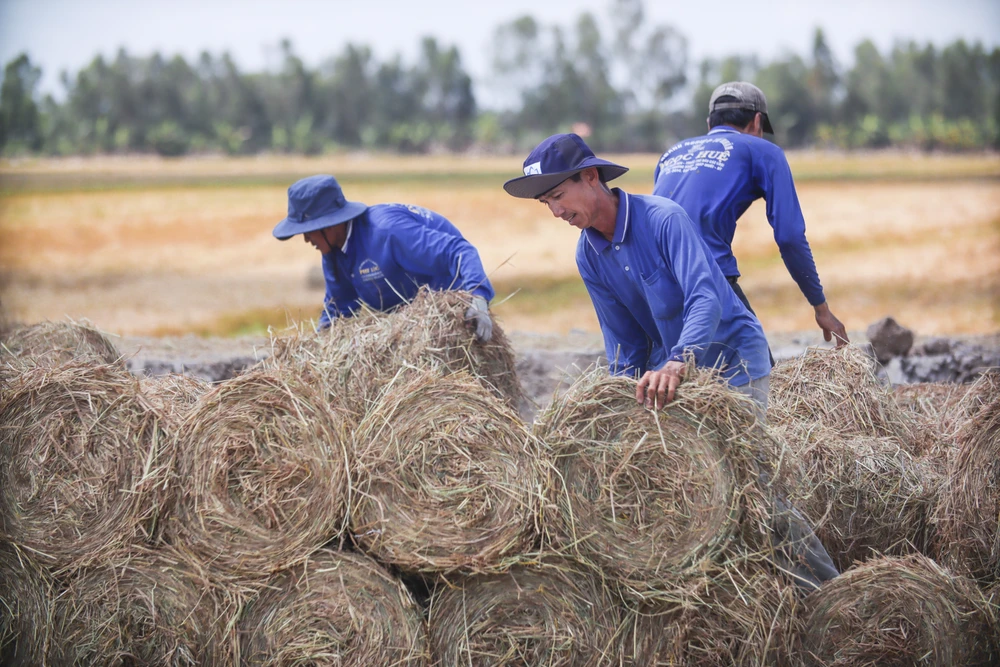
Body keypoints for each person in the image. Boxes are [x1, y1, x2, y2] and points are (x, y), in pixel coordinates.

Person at [503, 133, 838, 590]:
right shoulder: (588, 254)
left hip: (731, 361)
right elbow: (623, 344)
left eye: (559, 196)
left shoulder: (664, 219)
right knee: (689, 487)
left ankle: (827, 595)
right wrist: (618, 408)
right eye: (547, 204)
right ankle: (740, 597)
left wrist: (680, 359)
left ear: (590, 177)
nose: (557, 212)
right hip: (674, 374)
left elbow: (706, 297)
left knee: (751, 486)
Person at [653, 81, 849, 351]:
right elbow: (790, 237)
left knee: (680, 375)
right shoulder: (763, 151)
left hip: (653, 283)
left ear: (709, 123)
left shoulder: (671, 154)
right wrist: (820, 307)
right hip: (708, 278)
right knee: (755, 373)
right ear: (757, 122)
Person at [273, 174, 494, 341]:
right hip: (410, 321)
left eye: (308, 231)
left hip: (447, 314)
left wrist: (478, 298)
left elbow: (460, 251)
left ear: (329, 225)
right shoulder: (334, 252)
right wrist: (317, 347)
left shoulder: (388, 233)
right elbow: (338, 310)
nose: (306, 239)